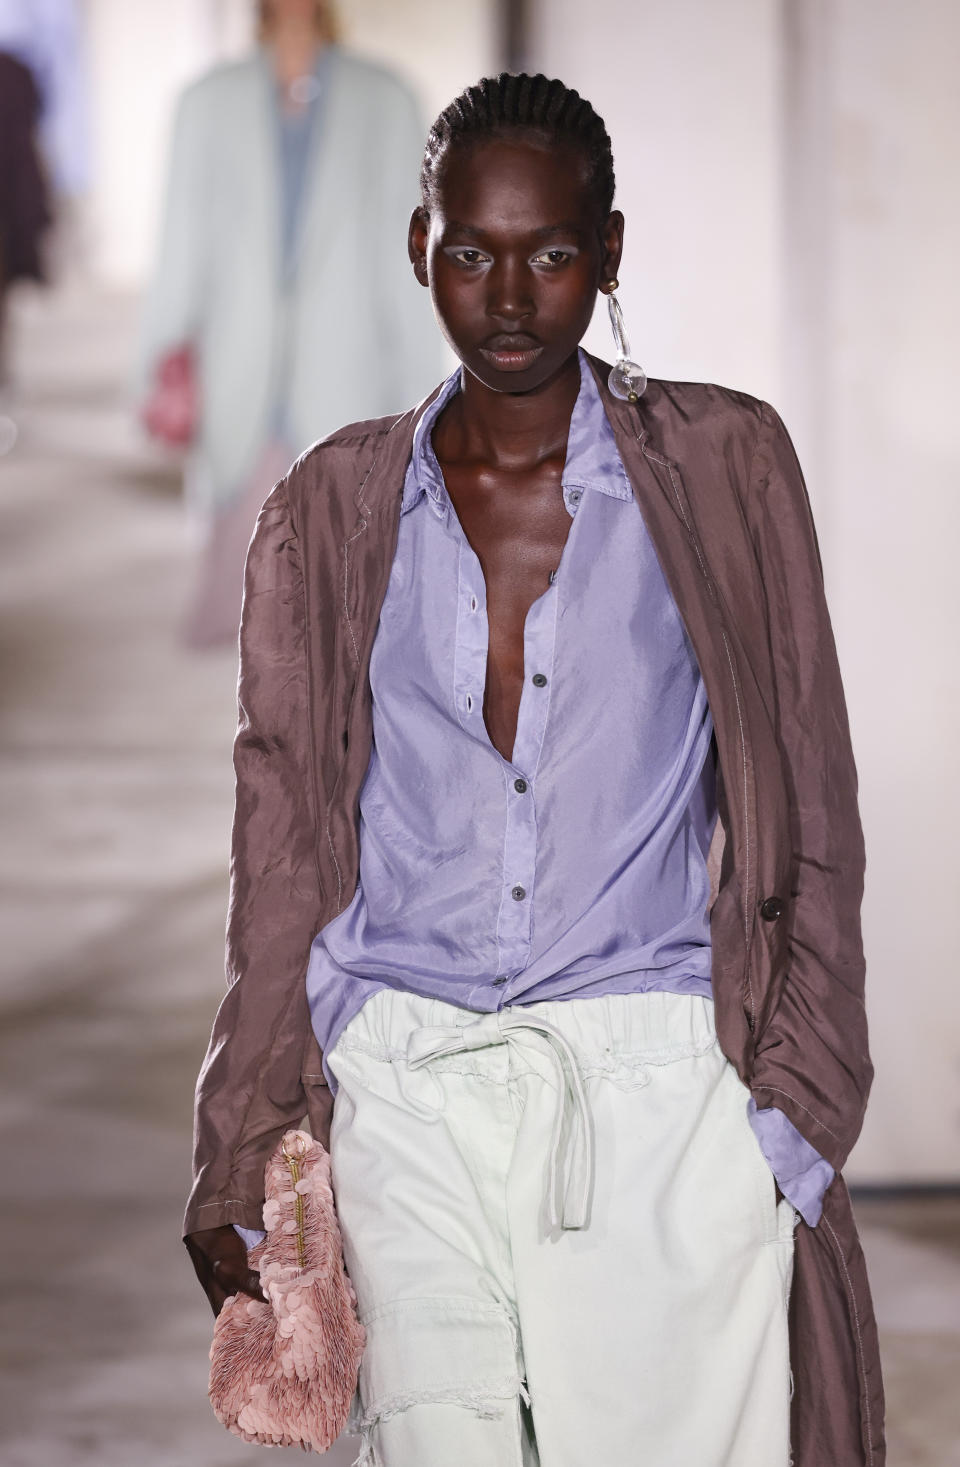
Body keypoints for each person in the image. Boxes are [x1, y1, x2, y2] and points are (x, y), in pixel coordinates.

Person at [183, 73, 884, 1467]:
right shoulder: (329, 508)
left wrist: (796, 1108)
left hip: (659, 1097)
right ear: (418, 248)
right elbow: (282, 845)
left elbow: (808, 797)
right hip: (407, 1088)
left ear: (609, 251)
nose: (509, 297)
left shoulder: (727, 466)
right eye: (470, 252)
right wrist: (240, 1127)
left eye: (551, 254)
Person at [138, 0, 441, 647]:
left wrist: (426, 395)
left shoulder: (386, 100)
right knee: (248, 596)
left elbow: (409, 258)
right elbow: (180, 245)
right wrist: (158, 361)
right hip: (239, 361)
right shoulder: (206, 102)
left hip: (346, 361)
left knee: (347, 588)